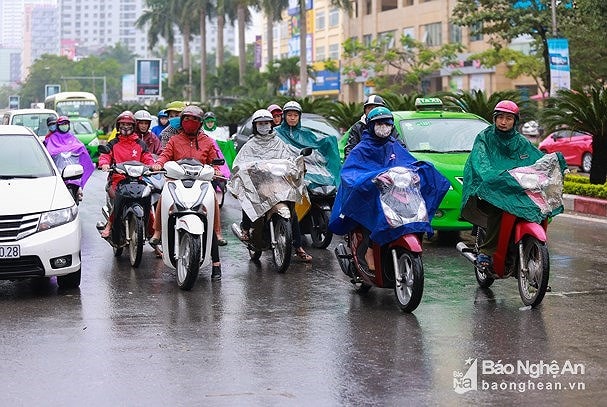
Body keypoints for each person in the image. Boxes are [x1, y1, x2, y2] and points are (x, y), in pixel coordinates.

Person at [329, 106, 449, 271]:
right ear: (371, 125)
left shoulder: (394, 146)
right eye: (379, 123)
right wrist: (370, 180)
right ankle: (369, 251)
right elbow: (351, 174)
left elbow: (408, 163)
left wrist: (418, 171)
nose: (383, 127)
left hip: (394, 195)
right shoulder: (361, 149)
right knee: (376, 213)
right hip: (371, 196)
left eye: (387, 123)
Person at [460, 100, 555, 270]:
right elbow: (480, 161)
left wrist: (551, 168)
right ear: (495, 119)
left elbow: (536, 159)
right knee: (500, 208)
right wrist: (490, 175)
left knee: (536, 207)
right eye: (501, 117)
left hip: (514, 188)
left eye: (509, 118)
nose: (504, 122)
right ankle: (486, 252)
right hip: (489, 189)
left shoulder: (520, 141)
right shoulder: (484, 138)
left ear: (515, 121)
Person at [151, 105, 224, 279]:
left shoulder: (207, 141)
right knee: (164, 195)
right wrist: (158, 164)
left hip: (201, 182)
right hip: (177, 180)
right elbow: (164, 155)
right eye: (187, 120)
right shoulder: (174, 140)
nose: (190, 123)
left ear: (200, 123)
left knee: (212, 203)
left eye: (195, 120)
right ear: (182, 122)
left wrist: (216, 170)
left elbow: (215, 160)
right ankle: (158, 231)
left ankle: (216, 260)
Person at [231, 109, 312, 262]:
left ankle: (298, 246)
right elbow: (239, 164)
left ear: (271, 124)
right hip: (259, 186)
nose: (264, 126)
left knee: (292, 212)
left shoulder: (278, 142)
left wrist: (297, 165)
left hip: (278, 184)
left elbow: (289, 160)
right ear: (255, 126)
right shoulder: (250, 145)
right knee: (248, 196)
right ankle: (246, 228)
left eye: (266, 123)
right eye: (260, 124)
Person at [98, 111, 155, 238]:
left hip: (138, 180)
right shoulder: (113, 143)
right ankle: (109, 225)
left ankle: (153, 236)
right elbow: (105, 155)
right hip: (117, 180)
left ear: (133, 126)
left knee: (147, 202)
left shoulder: (140, 143)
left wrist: (152, 166)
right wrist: (104, 164)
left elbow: (147, 157)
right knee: (118, 199)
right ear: (118, 126)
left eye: (129, 124)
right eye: (122, 124)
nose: (126, 127)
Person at [44, 115, 95, 201]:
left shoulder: (71, 136)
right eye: (61, 124)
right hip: (59, 169)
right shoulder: (51, 138)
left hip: (73, 170)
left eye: (66, 124)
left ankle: (79, 187)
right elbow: (49, 151)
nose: (64, 126)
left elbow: (79, 146)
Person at [342, 94, 397, 160]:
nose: (373, 110)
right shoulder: (357, 127)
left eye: (376, 107)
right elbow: (350, 148)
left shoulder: (390, 125)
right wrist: (350, 164)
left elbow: (400, 146)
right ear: (365, 111)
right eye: (369, 108)